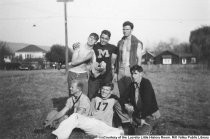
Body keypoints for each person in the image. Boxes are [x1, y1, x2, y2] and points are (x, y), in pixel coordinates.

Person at [52, 83, 125, 139]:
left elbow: (120, 113)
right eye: (103, 89)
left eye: (107, 90)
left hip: (104, 126)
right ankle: (59, 137)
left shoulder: (114, 100)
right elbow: (89, 112)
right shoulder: (95, 98)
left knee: (120, 133)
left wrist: (120, 125)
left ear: (111, 92)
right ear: (100, 89)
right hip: (93, 123)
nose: (104, 91)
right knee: (75, 116)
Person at [122, 65, 161, 135]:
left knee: (140, 134)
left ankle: (150, 131)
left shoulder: (146, 83)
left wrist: (142, 118)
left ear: (141, 74)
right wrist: (126, 105)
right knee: (130, 133)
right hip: (139, 114)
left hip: (150, 115)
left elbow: (147, 104)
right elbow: (123, 97)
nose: (133, 76)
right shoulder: (132, 85)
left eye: (135, 73)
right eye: (132, 73)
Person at [116, 21, 143, 99]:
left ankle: (132, 110)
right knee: (122, 91)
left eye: (127, 29)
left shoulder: (136, 43)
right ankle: (123, 109)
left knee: (131, 91)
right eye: (123, 29)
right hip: (120, 69)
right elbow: (117, 57)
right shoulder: (120, 42)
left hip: (130, 69)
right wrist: (115, 71)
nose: (125, 31)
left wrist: (137, 72)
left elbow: (139, 58)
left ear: (131, 30)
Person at [88, 30, 118, 99]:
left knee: (105, 94)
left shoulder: (113, 47)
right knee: (92, 94)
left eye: (106, 39)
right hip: (95, 75)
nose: (103, 40)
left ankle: (103, 109)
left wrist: (115, 72)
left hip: (107, 75)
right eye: (102, 37)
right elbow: (86, 48)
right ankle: (91, 108)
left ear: (109, 39)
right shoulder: (95, 46)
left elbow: (116, 60)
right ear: (100, 37)